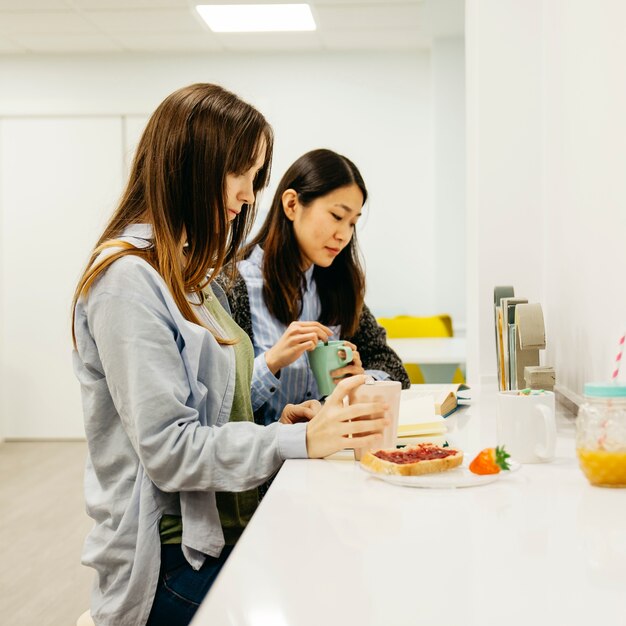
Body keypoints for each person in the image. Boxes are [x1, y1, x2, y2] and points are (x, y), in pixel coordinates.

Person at [71, 84, 388, 626]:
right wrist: (297, 440)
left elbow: (215, 413)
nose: (247, 196)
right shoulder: (128, 281)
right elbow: (170, 450)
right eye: (241, 173)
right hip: (172, 560)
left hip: (226, 527)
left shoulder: (191, 275)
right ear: (191, 164)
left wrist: (284, 419)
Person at [217, 148, 410, 426]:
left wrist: (363, 380)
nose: (344, 235)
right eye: (336, 216)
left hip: (328, 456)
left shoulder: (338, 284)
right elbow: (218, 406)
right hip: (268, 463)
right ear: (292, 204)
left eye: (352, 223)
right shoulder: (232, 286)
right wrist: (271, 361)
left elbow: (392, 369)